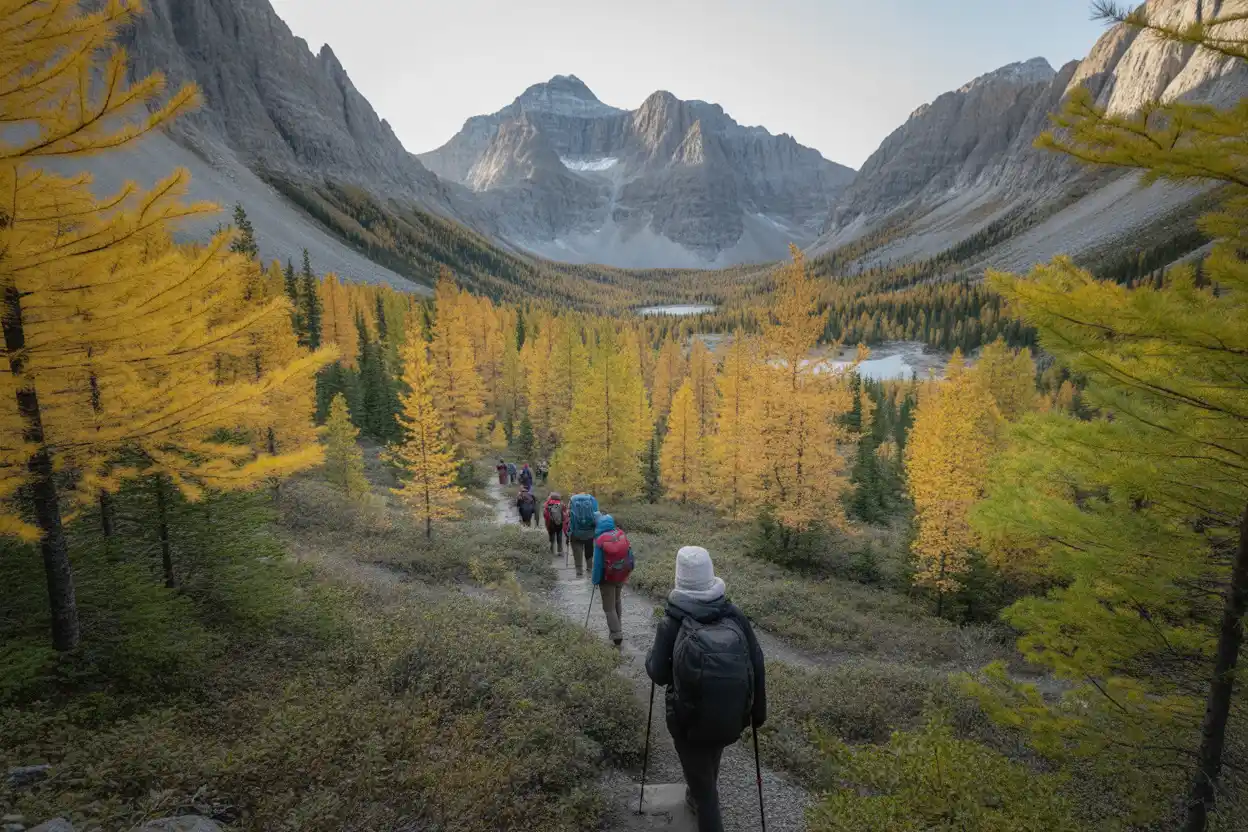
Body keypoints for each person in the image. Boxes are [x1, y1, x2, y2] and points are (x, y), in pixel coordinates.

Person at [645, 547, 766, 832]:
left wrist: (652, 657)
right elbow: (756, 659)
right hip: (731, 714)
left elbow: (658, 674)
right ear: (710, 575)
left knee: (707, 798)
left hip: (688, 723)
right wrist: (758, 713)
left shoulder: (672, 620)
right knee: (710, 759)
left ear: (680, 578)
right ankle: (695, 792)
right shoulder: (733, 613)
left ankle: (699, 798)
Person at [591, 514, 633, 648]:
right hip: (621, 574)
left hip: (607, 578)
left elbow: (597, 565)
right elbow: (630, 556)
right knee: (617, 601)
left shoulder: (600, 540)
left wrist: (595, 580)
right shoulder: (620, 534)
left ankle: (616, 636)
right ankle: (617, 626)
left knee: (608, 608)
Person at [567, 493, 599, 578]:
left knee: (577, 550)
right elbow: (596, 515)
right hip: (589, 531)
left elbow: (568, 514)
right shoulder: (592, 500)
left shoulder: (572, 500)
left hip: (576, 532)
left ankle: (579, 570)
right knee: (589, 548)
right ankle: (589, 568)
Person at [543, 492, 568, 556]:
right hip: (559, 523)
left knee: (551, 537)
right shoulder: (561, 504)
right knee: (559, 536)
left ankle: (551, 550)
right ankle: (560, 551)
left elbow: (545, 514)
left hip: (550, 523)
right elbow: (565, 513)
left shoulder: (547, 504)